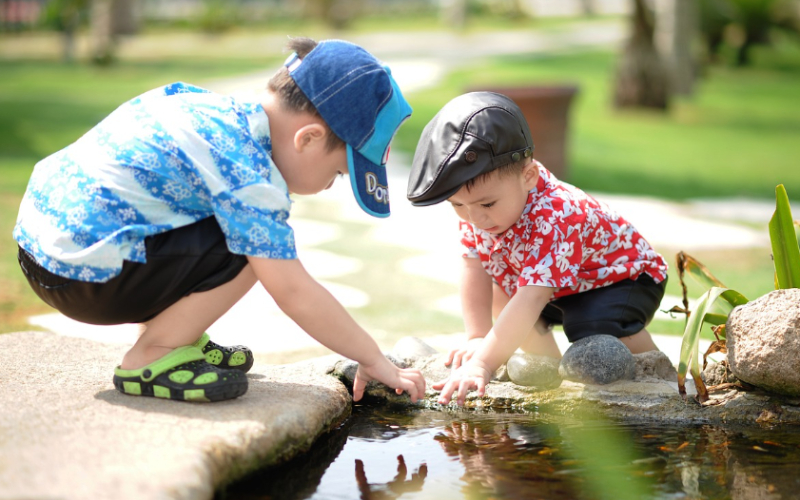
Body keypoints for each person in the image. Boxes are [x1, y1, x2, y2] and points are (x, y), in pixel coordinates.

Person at [14, 37, 425, 403]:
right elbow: (293, 291)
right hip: (83, 276)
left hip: (43, 250)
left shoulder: (208, 109)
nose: (327, 186)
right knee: (256, 249)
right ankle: (152, 356)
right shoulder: (248, 172)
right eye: (337, 174)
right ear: (309, 138)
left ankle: (176, 337)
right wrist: (372, 358)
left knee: (230, 225)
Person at [406, 92, 668, 406]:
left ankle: (657, 374)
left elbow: (533, 296)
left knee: (590, 326)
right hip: (560, 286)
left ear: (528, 176)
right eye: (457, 205)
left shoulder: (557, 214)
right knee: (502, 291)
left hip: (623, 280)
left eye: (487, 203)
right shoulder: (479, 212)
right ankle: (549, 374)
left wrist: (482, 363)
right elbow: (473, 267)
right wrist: (478, 337)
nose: (475, 218)